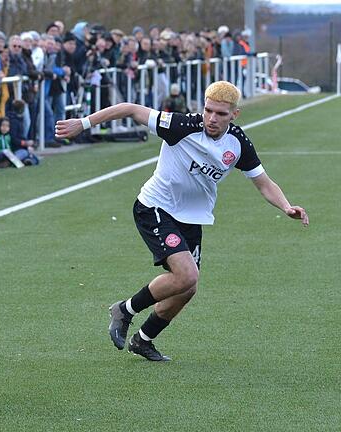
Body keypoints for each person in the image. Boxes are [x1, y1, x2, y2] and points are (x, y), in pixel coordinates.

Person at [55, 81, 309, 361]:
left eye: (221, 114)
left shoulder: (237, 143)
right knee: (187, 274)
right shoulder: (180, 126)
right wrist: (83, 123)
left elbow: (263, 183)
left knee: (188, 288)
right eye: (208, 110)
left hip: (191, 219)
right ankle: (124, 310)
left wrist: (286, 206)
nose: (212, 118)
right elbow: (129, 108)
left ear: (234, 114)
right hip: (155, 207)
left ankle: (143, 339)